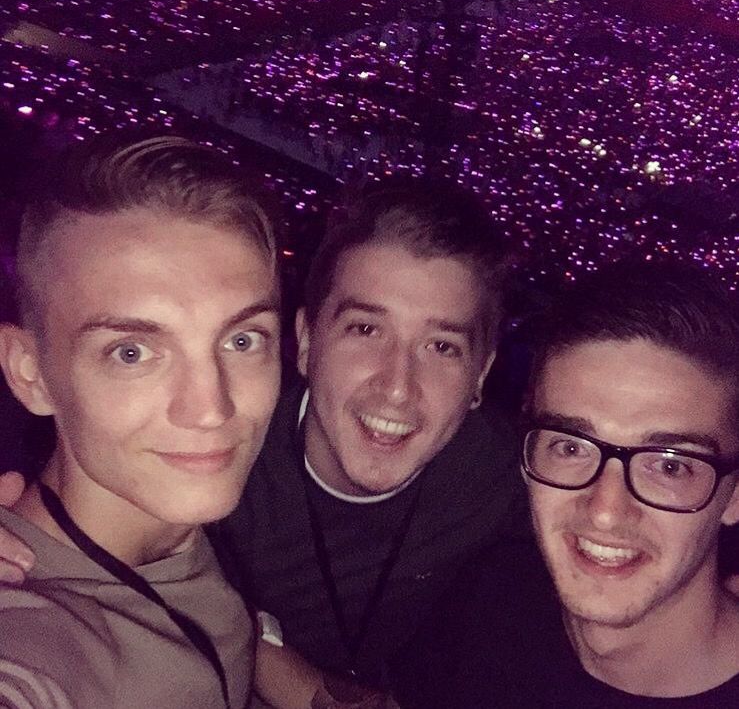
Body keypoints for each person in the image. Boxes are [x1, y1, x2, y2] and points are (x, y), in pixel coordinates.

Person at [0, 179, 525, 693]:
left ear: (480, 376)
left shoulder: (504, 475)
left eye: (442, 347)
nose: (396, 388)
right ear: (305, 341)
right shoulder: (207, 461)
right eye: (365, 329)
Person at [0, 133, 282, 708]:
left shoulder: (184, 532)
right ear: (31, 373)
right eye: (131, 353)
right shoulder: (33, 632)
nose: (211, 408)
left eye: (242, 339)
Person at [393, 260, 739, 707]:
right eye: (571, 448)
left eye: (670, 466)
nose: (605, 511)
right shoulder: (488, 602)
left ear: (734, 495)